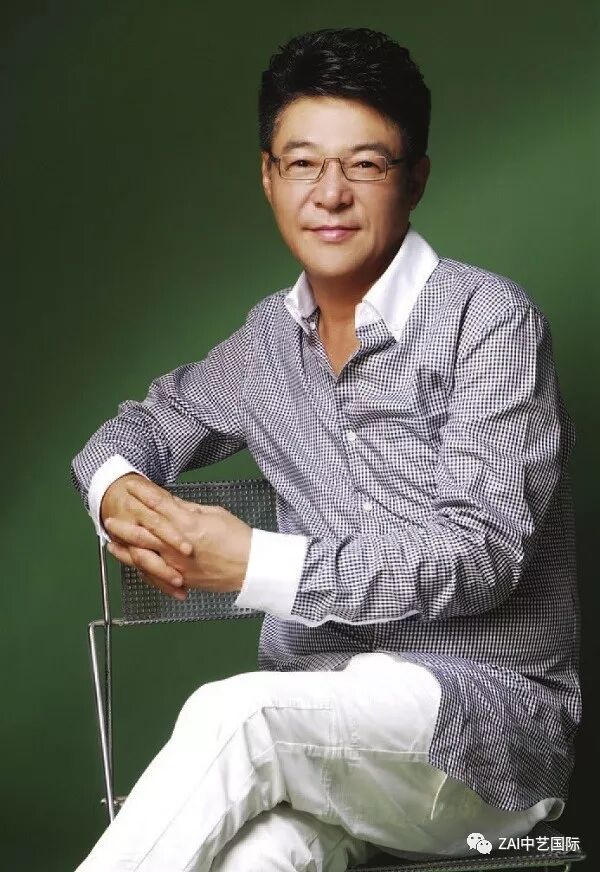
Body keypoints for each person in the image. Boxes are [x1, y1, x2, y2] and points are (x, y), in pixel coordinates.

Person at [69, 27, 581, 872]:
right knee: (252, 858)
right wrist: (118, 488)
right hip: (324, 739)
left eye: (365, 164)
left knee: (238, 716)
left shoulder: (490, 321)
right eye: (303, 163)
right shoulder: (265, 346)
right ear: (269, 177)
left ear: (415, 177)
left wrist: (254, 564)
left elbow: (480, 552)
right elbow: (143, 427)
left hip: (482, 738)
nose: (330, 194)